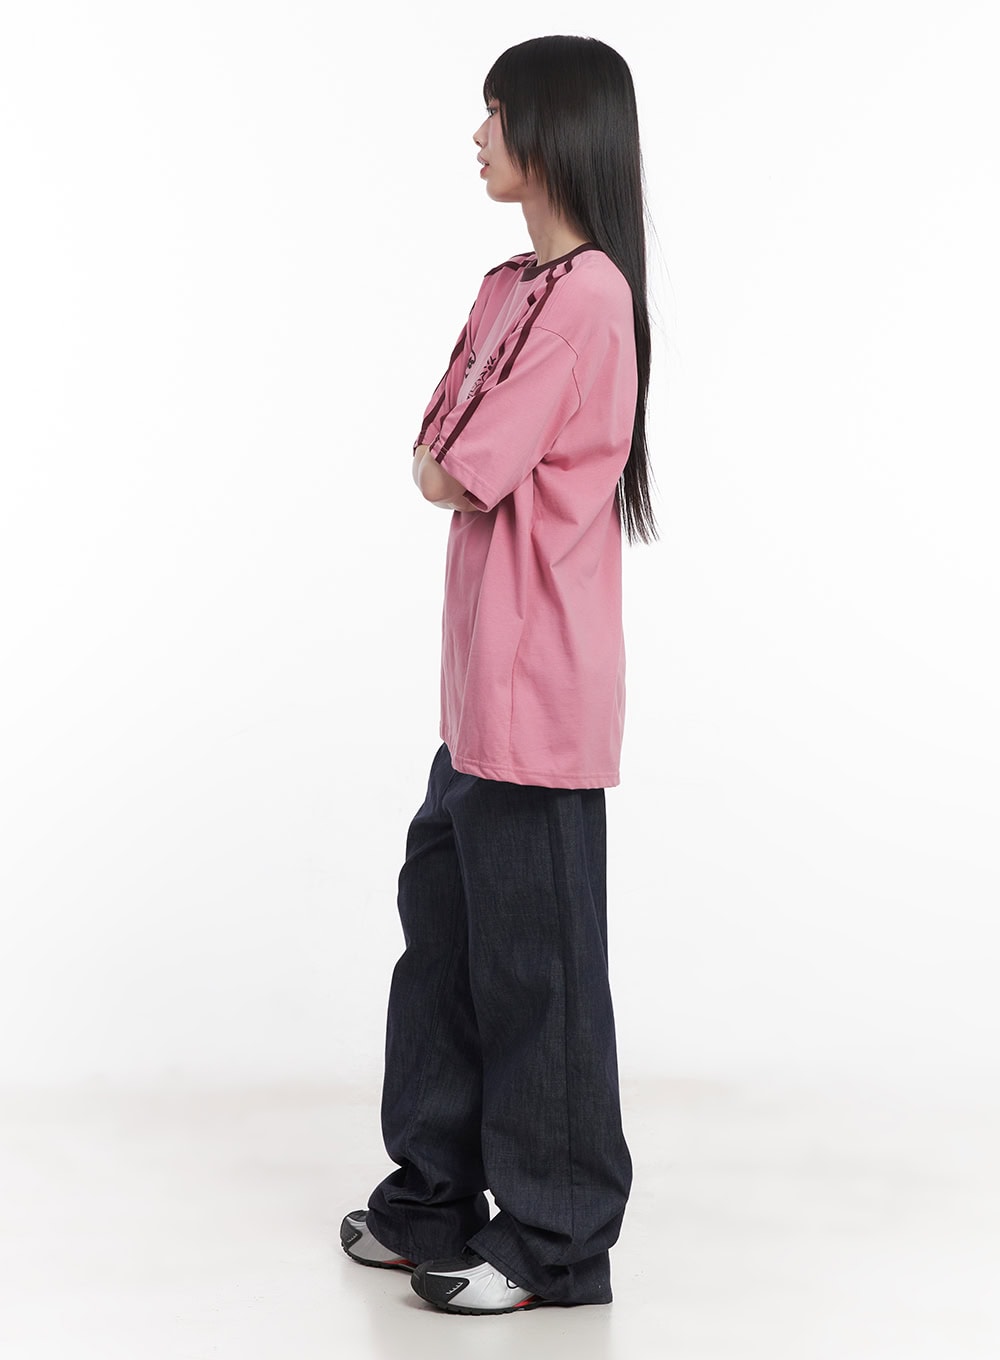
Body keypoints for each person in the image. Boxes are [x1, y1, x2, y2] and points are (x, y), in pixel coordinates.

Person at [340, 33, 657, 1316]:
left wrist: (450, 455)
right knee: (444, 950)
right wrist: (449, 453)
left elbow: (458, 468)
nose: (477, 137)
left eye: (495, 114)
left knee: (539, 978)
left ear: (552, 128)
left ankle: (558, 1240)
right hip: (476, 700)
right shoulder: (508, 284)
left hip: (540, 701)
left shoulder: (588, 299)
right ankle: (432, 1194)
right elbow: (436, 441)